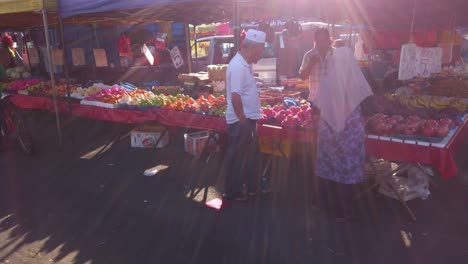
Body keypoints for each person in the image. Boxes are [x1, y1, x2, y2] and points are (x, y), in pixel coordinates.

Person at [299, 28, 373, 220]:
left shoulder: (328, 83)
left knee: (329, 168)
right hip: (348, 140)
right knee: (346, 170)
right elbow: (367, 107)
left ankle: (322, 204)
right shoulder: (356, 83)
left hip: (330, 136)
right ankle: (343, 210)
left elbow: (318, 105)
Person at [223, 29, 266, 201]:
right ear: (253, 48)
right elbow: (235, 98)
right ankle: (233, 192)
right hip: (241, 121)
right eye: (261, 50)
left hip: (245, 119)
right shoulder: (238, 66)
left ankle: (250, 188)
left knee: (247, 157)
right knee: (238, 158)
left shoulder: (244, 64)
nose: (262, 54)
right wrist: (243, 122)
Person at [299, 28, 334, 102]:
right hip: (315, 100)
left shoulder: (336, 54)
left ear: (328, 41)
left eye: (324, 40)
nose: (322, 43)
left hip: (333, 101)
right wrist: (310, 64)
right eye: (319, 41)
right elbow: (303, 77)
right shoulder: (309, 55)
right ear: (315, 41)